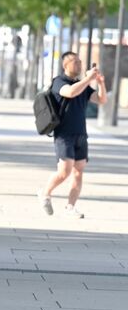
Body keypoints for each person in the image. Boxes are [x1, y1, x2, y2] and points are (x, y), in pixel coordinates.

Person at [38, 51, 107, 218]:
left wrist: (100, 83)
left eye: (79, 61)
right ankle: (45, 193)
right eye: (74, 61)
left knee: (78, 171)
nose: (79, 64)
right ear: (65, 65)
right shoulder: (59, 82)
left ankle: (71, 206)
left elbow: (101, 100)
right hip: (64, 134)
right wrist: (88, 79)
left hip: (81, 134)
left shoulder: (82, 84)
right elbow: (69, 92)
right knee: (64, 171)